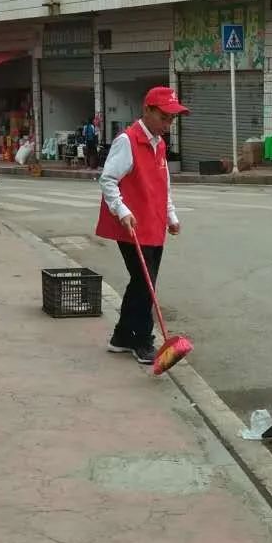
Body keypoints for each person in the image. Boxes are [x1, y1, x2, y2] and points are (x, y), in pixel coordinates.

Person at [96, 86, 188, 365]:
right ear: (147, 110)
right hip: (133, 226)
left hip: (154, 224)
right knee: (145, 284)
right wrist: (122, 210)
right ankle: (142, 341)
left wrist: (170, 214)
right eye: (164, 117)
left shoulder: (159, 143)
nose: (168, 124)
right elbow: (108, 179)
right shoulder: (128, 140)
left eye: (172, 119)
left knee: (141, 283)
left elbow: (163, 184)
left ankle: (122, 337)